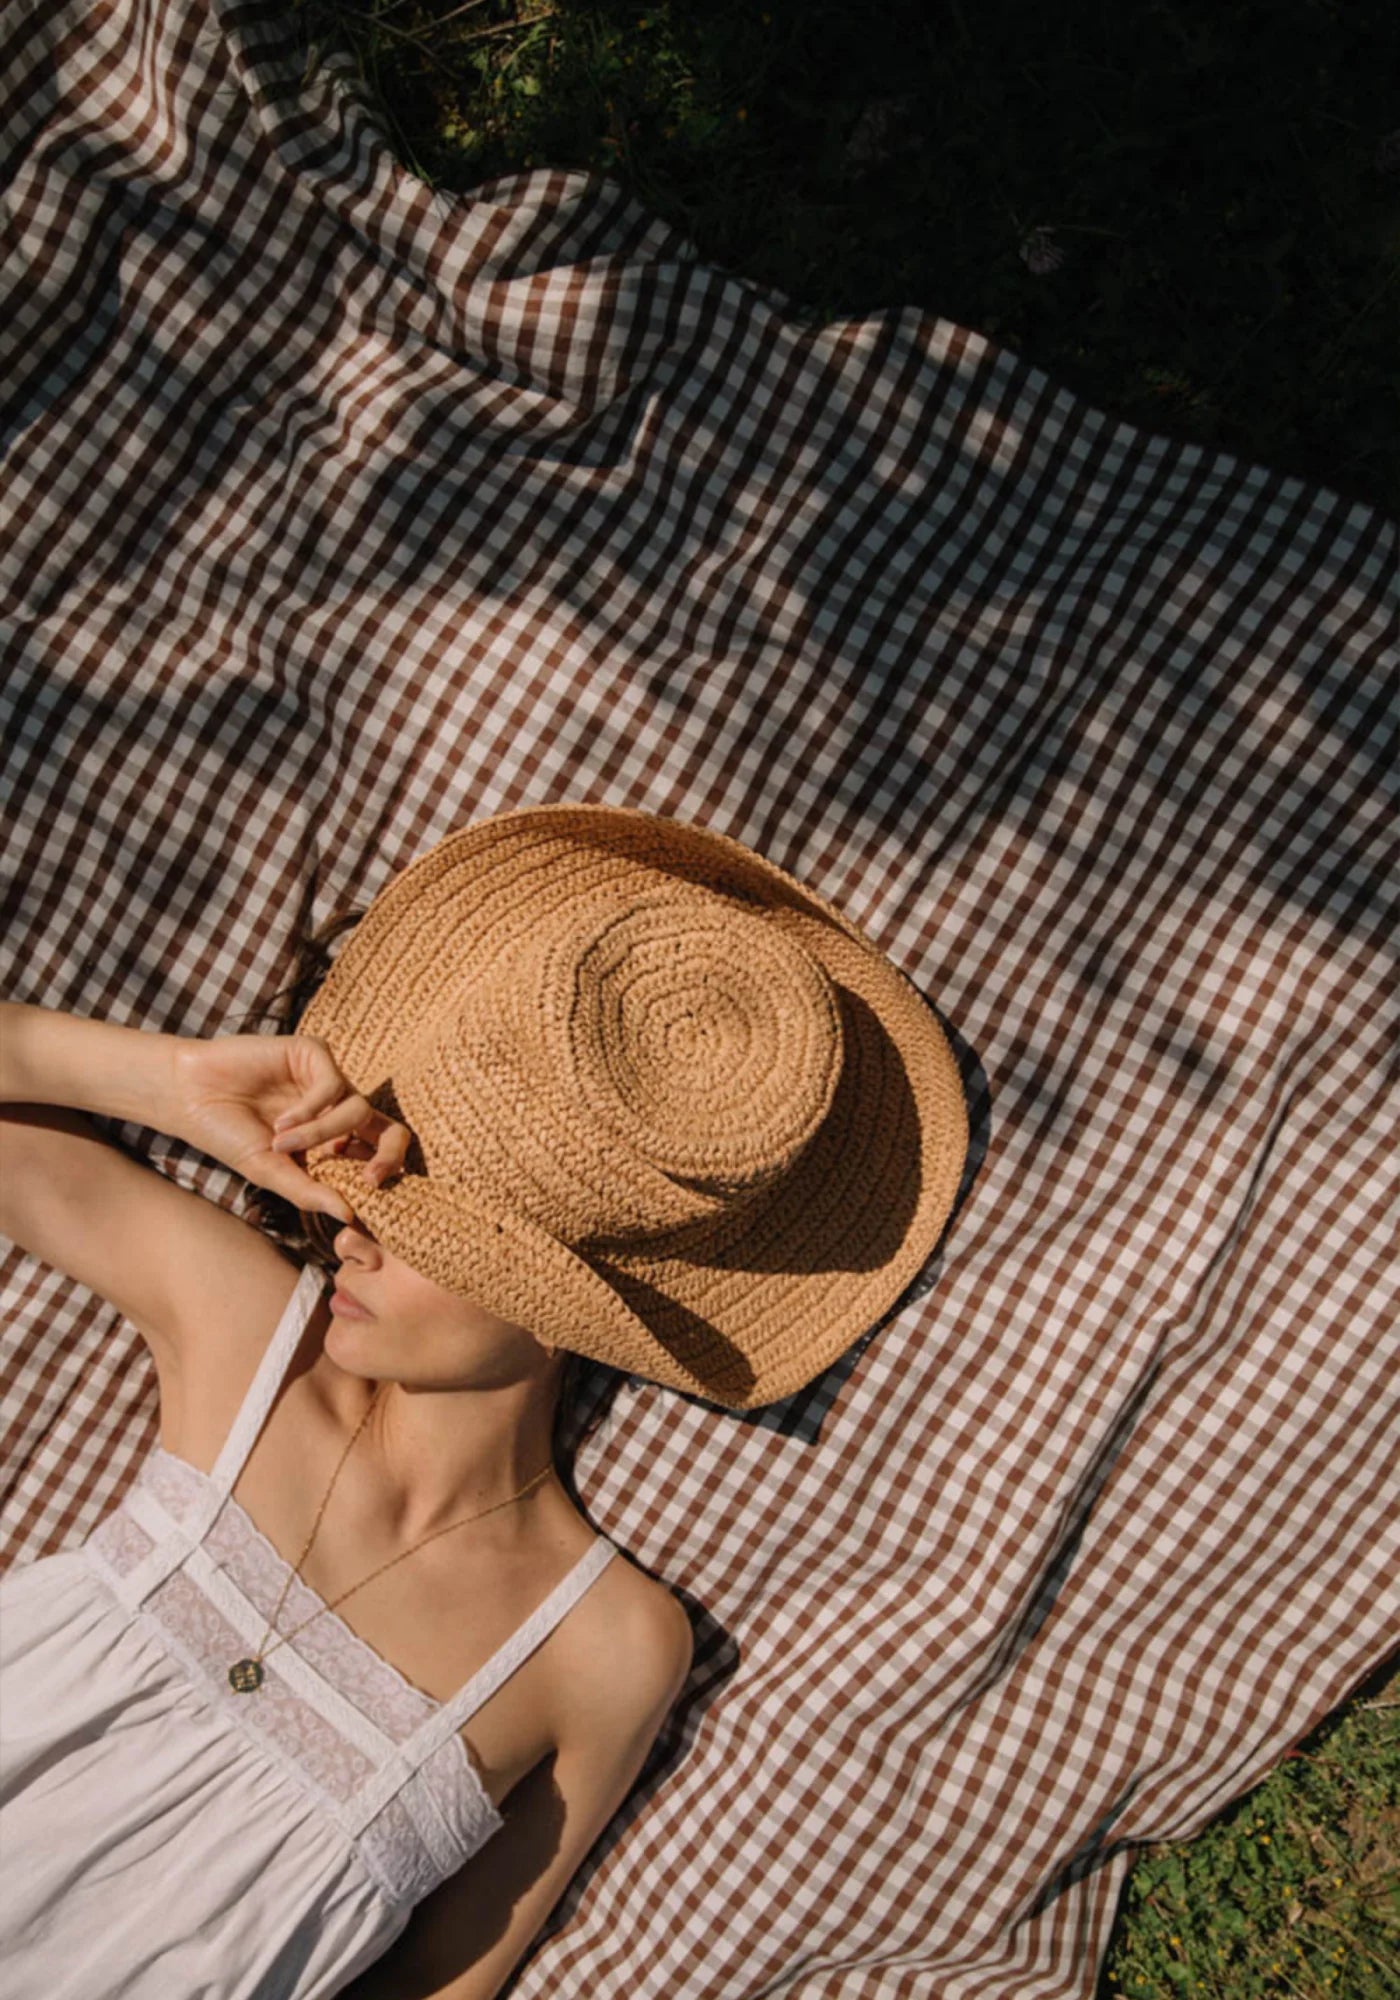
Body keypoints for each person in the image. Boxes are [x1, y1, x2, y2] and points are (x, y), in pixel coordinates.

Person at [0, 798, 969, 1999]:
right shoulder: (254, 1339)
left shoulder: (604, 1644)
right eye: (381, 1174)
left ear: (568, 1298)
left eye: (428, 1223)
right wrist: (178, 1077)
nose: (354, 1226)